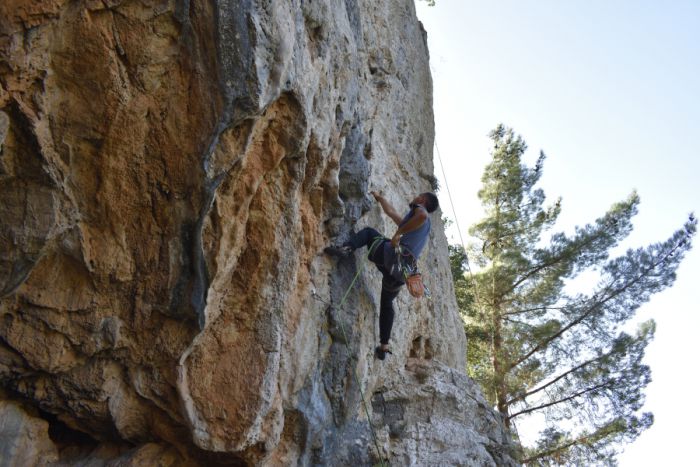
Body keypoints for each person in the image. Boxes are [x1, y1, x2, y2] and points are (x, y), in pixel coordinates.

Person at [324, 191, 439, 360]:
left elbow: (421, 216)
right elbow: (392, 213)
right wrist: (380, 198)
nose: (414, 197)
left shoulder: (420, 210)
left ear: (422, 200)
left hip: (392, 257)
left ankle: (346, 249)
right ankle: (384, 346)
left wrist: (398, 234)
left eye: (418, 196)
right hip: (401, 273)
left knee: (370, 233)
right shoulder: (415, 226)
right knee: (387, 303)